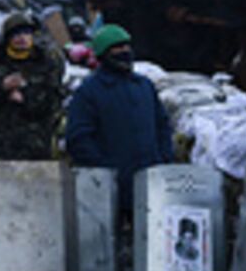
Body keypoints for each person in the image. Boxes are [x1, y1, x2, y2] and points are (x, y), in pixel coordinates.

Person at [65, 24, 173, 220]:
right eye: (116, 47)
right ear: (103, 54)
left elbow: (163, 125)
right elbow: (78, 138)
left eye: (126, 46)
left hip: (150, 182)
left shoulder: (144, 86)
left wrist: (163, 160)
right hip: (111, 190)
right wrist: (106, 171)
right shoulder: (90, 91)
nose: (124, 51)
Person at [0, 11, 64, 160]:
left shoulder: (45, 64)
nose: (21, 38)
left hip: (36, 146)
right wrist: (2, 88)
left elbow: (53, 100)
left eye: (26, 33)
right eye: (16, 34)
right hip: (1, 146)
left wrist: (25, 98)